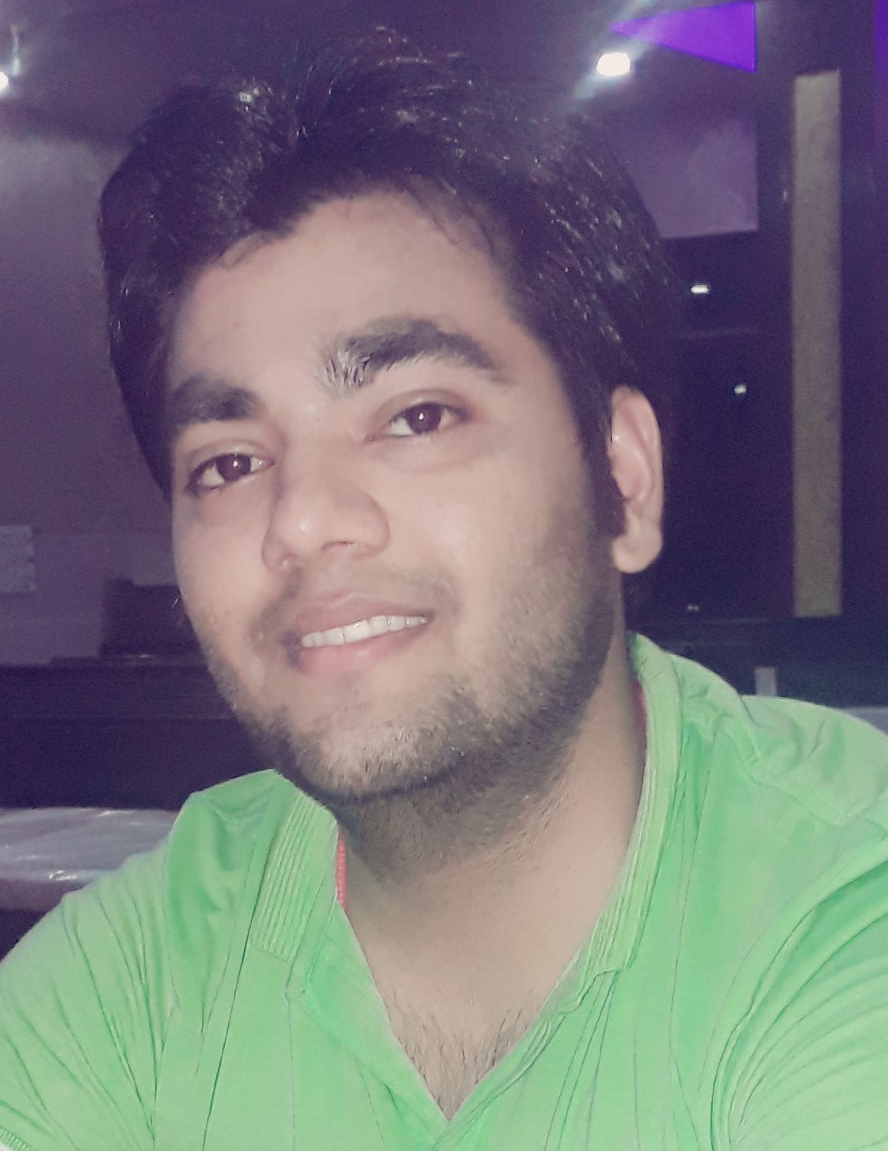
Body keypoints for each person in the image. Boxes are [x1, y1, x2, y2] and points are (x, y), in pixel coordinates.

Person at [2, 28, 888, 1151]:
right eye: (228, 462)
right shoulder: (136, 982)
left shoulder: (840, 905)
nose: (300, 518)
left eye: (417, 416)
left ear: (621, 478)